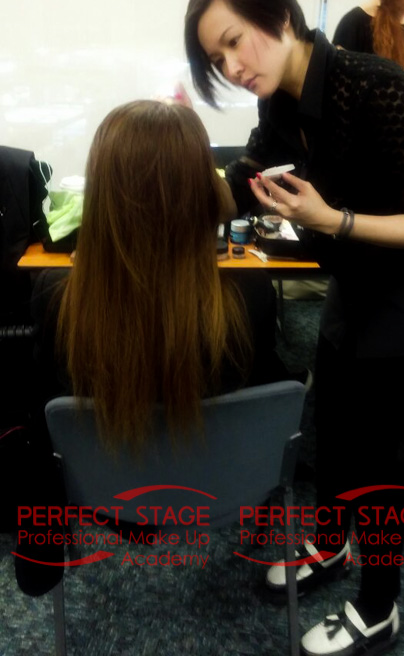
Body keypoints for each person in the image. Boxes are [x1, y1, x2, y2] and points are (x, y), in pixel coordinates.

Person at [184, 0, 404, 656]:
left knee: (374, 458)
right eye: (217, 59)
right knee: (329, 426)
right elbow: (244, 183)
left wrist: (334, 221)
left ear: (279, 16)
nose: (232, 66)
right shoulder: (280, 104)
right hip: (353, 289)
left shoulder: (382, 89)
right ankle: (330, 545)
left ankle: (380, 608)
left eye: (235, 41)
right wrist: (179, 154)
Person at [15, 98, 289, 596]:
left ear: (102, 193)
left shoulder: (55, 296)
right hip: (219, 489)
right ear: (203, 190)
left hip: (107, 498)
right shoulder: (250, 294)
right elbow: (265, 390)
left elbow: (46, 414)